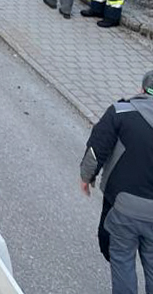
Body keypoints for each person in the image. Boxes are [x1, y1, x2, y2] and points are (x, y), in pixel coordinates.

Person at [81, 70, 153, 293]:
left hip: (123, 207)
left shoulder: (121, 112)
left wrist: (86, 177)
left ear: (142, 90)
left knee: (122, 261)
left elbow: (96, 150)